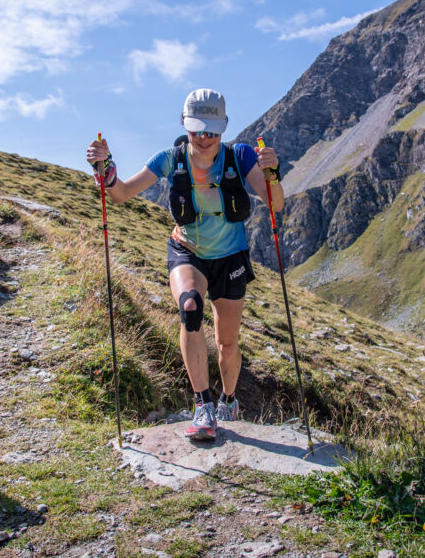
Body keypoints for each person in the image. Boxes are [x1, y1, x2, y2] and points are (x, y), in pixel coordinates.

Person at [86, 88, 283, 440]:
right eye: (197, 130)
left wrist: (272, 174)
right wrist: (107, 171)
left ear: (223, 129)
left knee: (227, 344)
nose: (204, 138)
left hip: (231, 256)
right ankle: (203, 406)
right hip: (187, 249)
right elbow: (120, 194)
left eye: (212, 131)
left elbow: (276, 204)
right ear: (184, 125)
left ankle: (229, 399)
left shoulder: (239, 157)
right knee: (190, 306)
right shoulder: (169, 158)